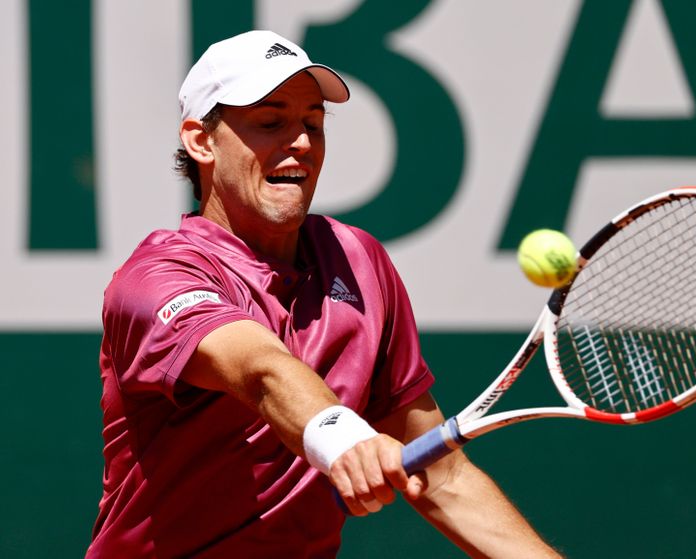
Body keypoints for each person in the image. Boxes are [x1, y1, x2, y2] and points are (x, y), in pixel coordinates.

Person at [87, 30, 561, 558]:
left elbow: (442, 479)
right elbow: (259, 368)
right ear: (201, 141)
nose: (302, 143)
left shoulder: (358, 262)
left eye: (312, 123)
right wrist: (340, 438)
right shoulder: (158, 275)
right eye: (270, 122)